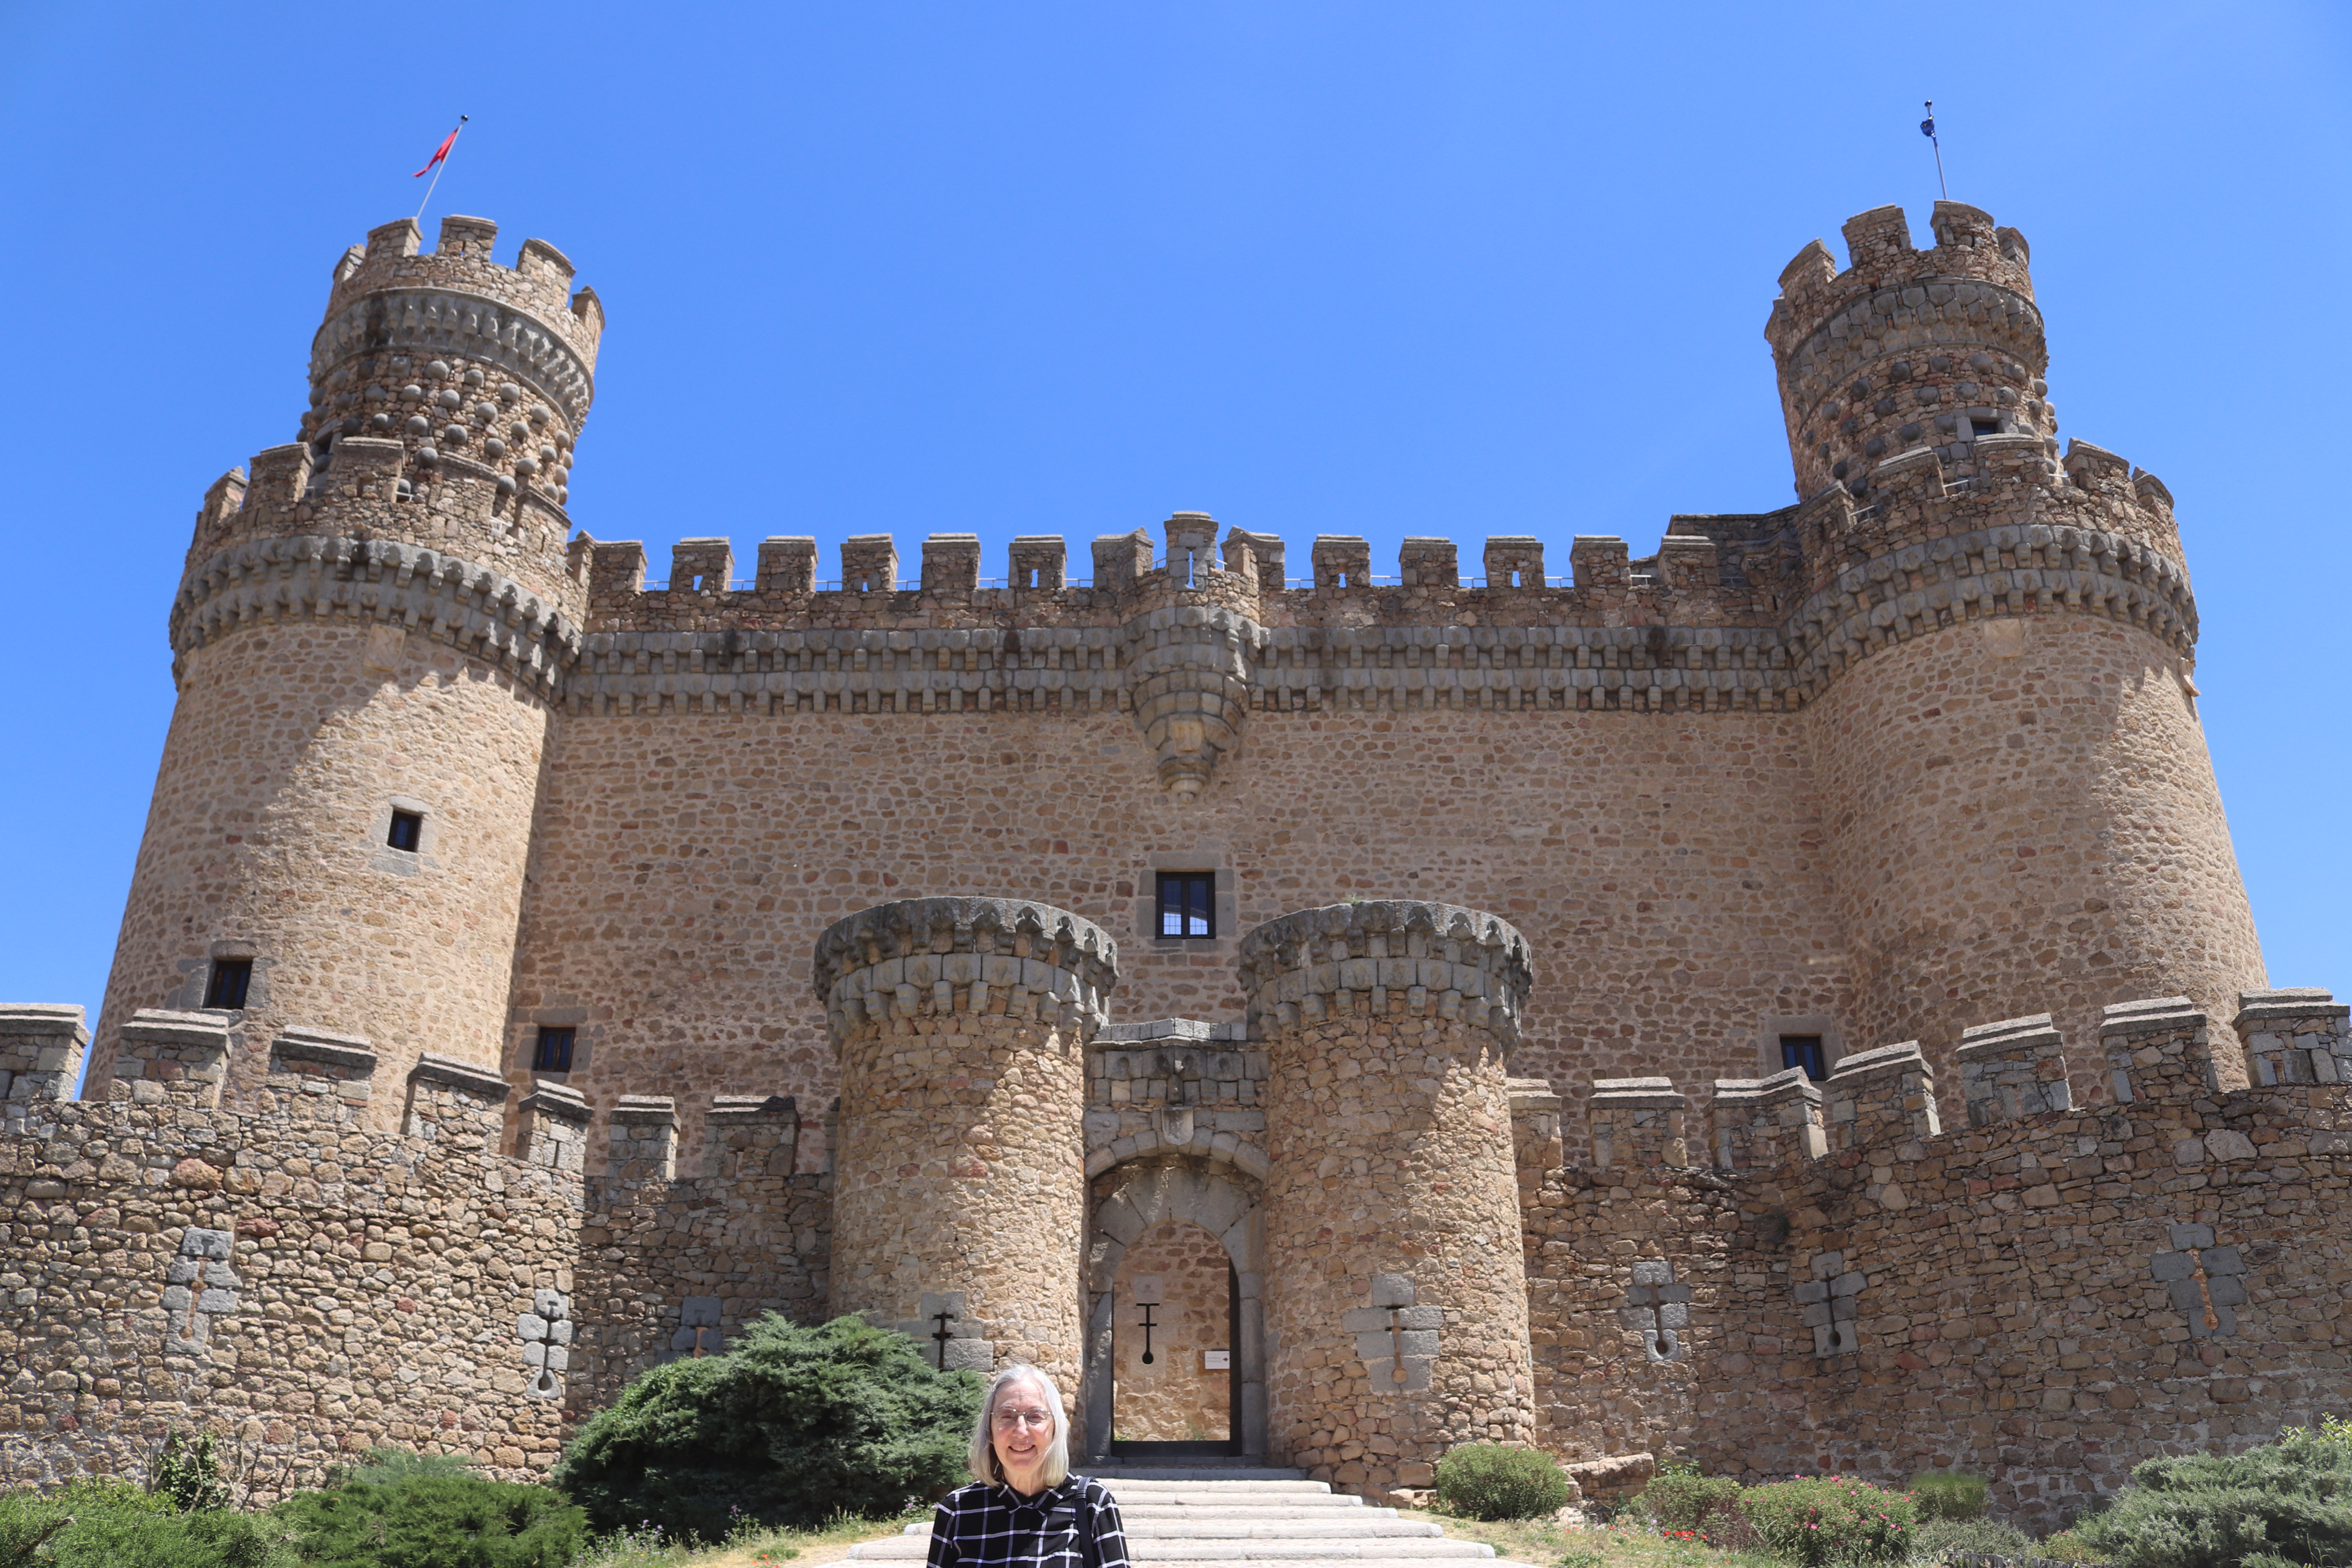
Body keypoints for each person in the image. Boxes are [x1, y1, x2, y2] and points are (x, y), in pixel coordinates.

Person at [924, 1364, 1131, 1568]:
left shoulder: (1091, 1503)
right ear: (990, 1430)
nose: (1021, 1431)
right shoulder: (958, 1510)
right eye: (1007, 1416)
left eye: (1035, 1416)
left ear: (1055, 1428)